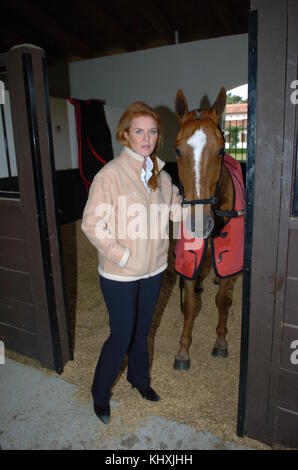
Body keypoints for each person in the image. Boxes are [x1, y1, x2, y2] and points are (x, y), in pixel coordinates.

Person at [81, 101, 181, 424]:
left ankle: (138, 381)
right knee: (121, 335)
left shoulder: (162, 177)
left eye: (152, 131)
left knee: (142, 332)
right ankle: (99, 394)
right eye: (139, 131)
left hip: (153, 271)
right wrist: (122, 255)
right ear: (125, 134)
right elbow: (92, 224)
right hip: (120, 275)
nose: (147, 137)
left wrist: (189, 211)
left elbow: (174, 216)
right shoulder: (110, 175)